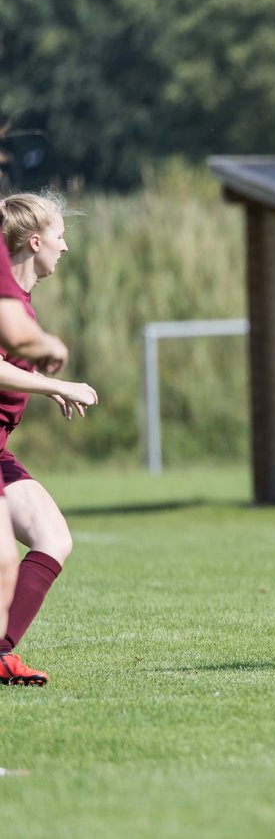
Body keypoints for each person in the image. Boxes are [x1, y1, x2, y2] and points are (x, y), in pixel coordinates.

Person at [0, 192, 100, 685]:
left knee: (54, 537)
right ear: (34, 240)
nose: (65, 248)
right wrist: (54, 384)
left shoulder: (21, 305)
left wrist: (42, 389)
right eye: (59, 237)